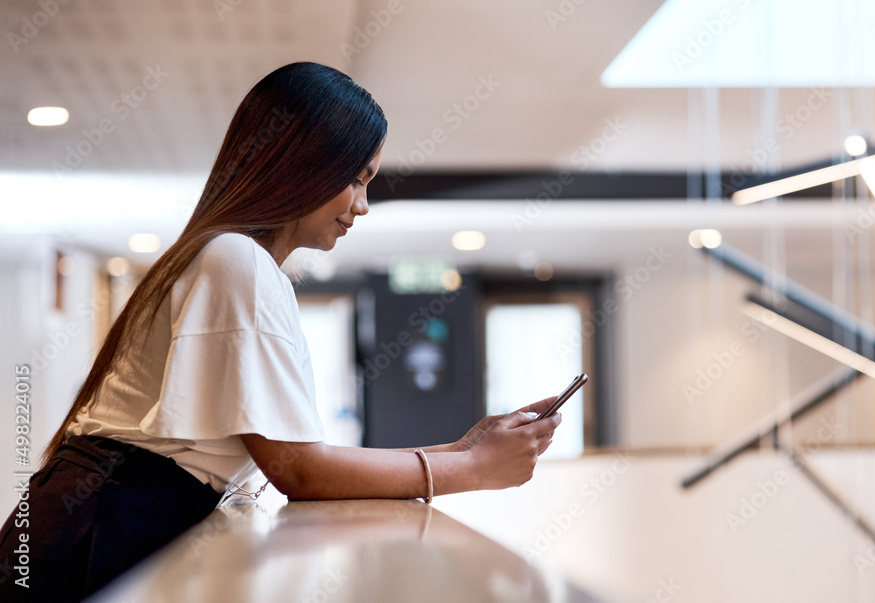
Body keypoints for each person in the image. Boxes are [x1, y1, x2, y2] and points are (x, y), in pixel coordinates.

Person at [0, 61, 562, 602]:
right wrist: (470, 469)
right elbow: (297, 468)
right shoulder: (235, 258)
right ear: (304, 163)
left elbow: (298, 457)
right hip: (96, 527)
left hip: (92, 516)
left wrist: (463, 448)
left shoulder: (230, 256)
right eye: (355, 179)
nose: (362, 207)